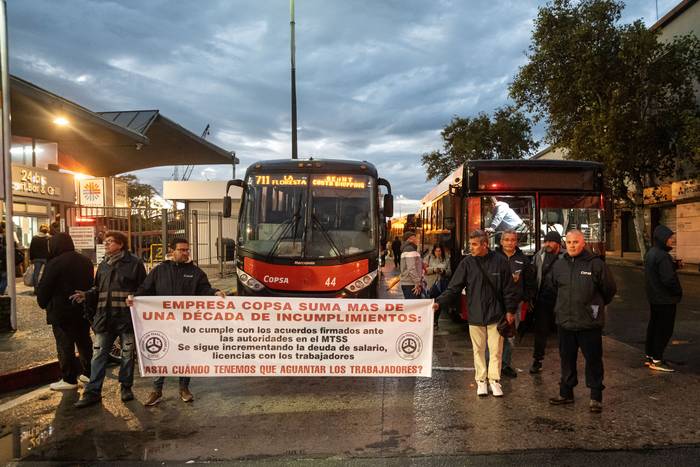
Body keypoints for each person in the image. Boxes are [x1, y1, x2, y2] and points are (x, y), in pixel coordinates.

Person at [132, 238, 226, 406]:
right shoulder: (159, 270)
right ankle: (157, 391)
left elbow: (204, 289)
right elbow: (145, 289)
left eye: (187, 250)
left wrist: (215, 292)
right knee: (160, 354)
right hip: (163, 323)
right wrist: (135, 298)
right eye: (181, 250)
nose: (185, 253)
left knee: (184, 355)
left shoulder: (196, 272)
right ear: (172, 251)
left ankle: (184, 388)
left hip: (186, 324)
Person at [435, 230, 519, 397]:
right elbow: (454, 288)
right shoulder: (467, 263)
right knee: (478, 349)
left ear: (484, 244)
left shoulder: (500, 262)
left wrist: (510, 311)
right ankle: (481, 381)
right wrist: (439, 302)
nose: (470, 248)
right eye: (470, 244)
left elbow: (509, 289)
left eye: (474, 244)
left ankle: (494, 380)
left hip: (496, 314)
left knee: (496, 350)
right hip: (476, 313)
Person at [71, 231, 147, 408]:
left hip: (126, 319)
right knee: (98, 355)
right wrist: (87, 295)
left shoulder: (134, 263)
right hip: (105, 319)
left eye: (110, 242)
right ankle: (93, 392)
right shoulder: (104, 264)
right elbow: (98, 289)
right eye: (105, 242)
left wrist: (135, 297)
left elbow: (144, 288)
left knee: (127, 355)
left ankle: (126, 387)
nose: (106, 244)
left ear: (121, 244)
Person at [549, 230, 616, 413]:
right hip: (565, 322)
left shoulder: (596, 264)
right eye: (568, 242)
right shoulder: (559, 265)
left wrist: (594, 307)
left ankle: (595, 397)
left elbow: (608, 290)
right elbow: (554, 288)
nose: (571, 245)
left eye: (575, 242)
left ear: (583, 243)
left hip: (589, 324)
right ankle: (566, 393)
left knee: (593, 360)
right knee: (566, 360)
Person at [36, 233, 94, 391]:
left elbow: (45, 287)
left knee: (65, 345)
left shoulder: (55, 263)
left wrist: (42, 302)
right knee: (84, 342)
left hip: (61, 311)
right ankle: (89, 373)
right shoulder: (85, 261)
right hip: (82, 309)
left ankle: (69, 379)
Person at [495, 230, 536, 378]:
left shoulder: (523, 260)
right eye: (506, 240)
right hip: (496, 303)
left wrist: (525, 298)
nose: (509, 243)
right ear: (501, 241)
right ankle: (493, 365)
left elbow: (530, 282)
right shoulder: (493, 257)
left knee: (509, 335)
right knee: (494, 336)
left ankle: (505, 364)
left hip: (515, 305)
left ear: (516, 242)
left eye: (513, 240)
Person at [644, 225, 683, 372]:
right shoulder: (662, 256)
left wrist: (674, 266)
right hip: (665, 299)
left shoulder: (651, 253)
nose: (672, 240)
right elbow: (668, 279)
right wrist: (678, 291)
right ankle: (657, 360)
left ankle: (650, 356)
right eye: (670, 238)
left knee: (654, 327)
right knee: (664, 329)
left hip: (655, 298)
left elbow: (656, 272)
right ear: (662, 239)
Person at [529, 230, 564, 374]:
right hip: (543, 300)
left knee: (563, 333)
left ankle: (566, 362)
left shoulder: (566, 257)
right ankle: (537, 361)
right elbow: (533, 274)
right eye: (546, 241)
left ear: (558, 243)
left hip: (561, 301)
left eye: (551, 241)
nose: (548, 244)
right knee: (541, 332)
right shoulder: (540, 255)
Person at [424, 244, 451, 327]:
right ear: (433, 251)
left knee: (439, 303)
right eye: (436, 251)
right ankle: (429, 320)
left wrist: (443, 272)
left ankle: (435, 321)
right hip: (431, 283)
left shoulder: (446, 259)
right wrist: (434, 269)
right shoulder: (428, 258)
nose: (438, 253)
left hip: (441, 284)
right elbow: (424, 270)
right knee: (430, 302)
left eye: (439, 251)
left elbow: (450, 272)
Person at [400, 231, 424, 299]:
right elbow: (411, 268)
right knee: (414, 307)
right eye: (415, 238)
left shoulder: (408, 249)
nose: (417, 240)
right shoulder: (410, 249)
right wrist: (417, 282)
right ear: (409, 239)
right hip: (411, 284)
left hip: (409, 283)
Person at [29, 224, 51, 291]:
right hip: (46, 258)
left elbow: (31, 248)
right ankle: (45, 288)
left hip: (37, 258)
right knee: (47, 273)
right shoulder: (48, 238)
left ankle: (36, 289)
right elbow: (50, 248)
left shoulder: (34, 237)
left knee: (36, 273)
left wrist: (31, 258)